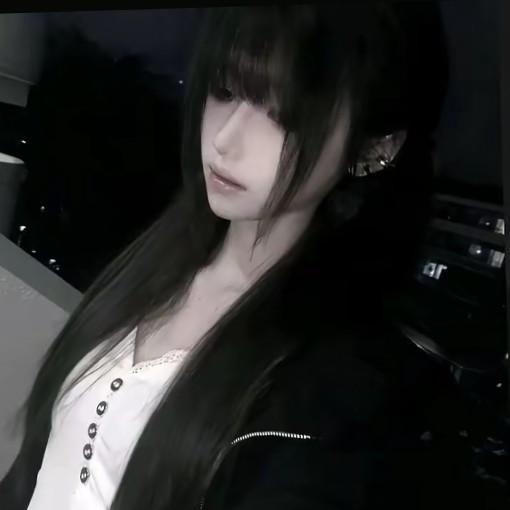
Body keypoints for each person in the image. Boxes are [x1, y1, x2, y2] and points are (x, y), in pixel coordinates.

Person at [0, 3, 492, 509]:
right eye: (225, 90)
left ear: (374, 148)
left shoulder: (335, 386)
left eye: (283, 117)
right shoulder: (163, 258)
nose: (225, 139)